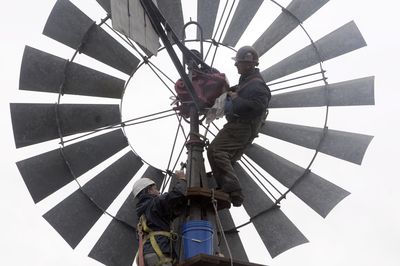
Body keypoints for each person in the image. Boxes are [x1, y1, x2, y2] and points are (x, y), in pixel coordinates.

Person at [207, 46, 271, 207]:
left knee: (217, 151)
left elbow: (258, 106)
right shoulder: (247, 80)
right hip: (241, 127)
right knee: (222, 155)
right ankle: (228, 192)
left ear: (249, 64)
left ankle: (234, 192)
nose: (236, 66)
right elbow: (239, 91)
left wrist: (235, 99)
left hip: (242, 126)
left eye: (239, 63)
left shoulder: (257, 85)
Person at [133, 170, 187, 266]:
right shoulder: (155, 203)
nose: (159, 192)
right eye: (156, 189)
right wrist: (182, 179)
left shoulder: (143, 212)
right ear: (149, 190)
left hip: (147, 254)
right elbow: (177, 194)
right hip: (159, 251)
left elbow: (171, 211)